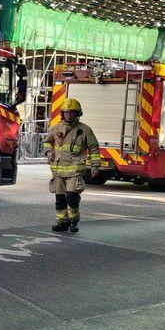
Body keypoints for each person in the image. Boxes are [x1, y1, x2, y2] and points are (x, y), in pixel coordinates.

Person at [43, 98, 101, 233]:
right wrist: (49, 152)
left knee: (72, 197)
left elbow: (94, 148)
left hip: (75, 170)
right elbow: (47, 142)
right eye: (66, 112)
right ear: (62, 113)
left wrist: (95, 166)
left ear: (78, 113)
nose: (69, 115)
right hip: (58, 171)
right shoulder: (56, 128)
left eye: (72, 112)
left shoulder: (85, 130)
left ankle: (73, 222)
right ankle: (62, 222)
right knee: (60, 199)